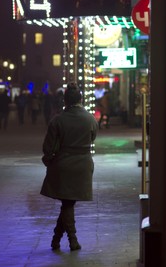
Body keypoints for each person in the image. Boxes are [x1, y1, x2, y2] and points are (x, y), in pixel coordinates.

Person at [40, 82, 98, 251]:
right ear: (80, 99)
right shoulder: (90, 119)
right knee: (68, 203)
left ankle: (71, 240)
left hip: (63, 164)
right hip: (83, 164)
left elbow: (48, 147)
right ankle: (57, 240)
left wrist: (48, 160)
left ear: (65, 101)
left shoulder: (58, 120)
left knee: (67, 202)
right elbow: (92, 138)